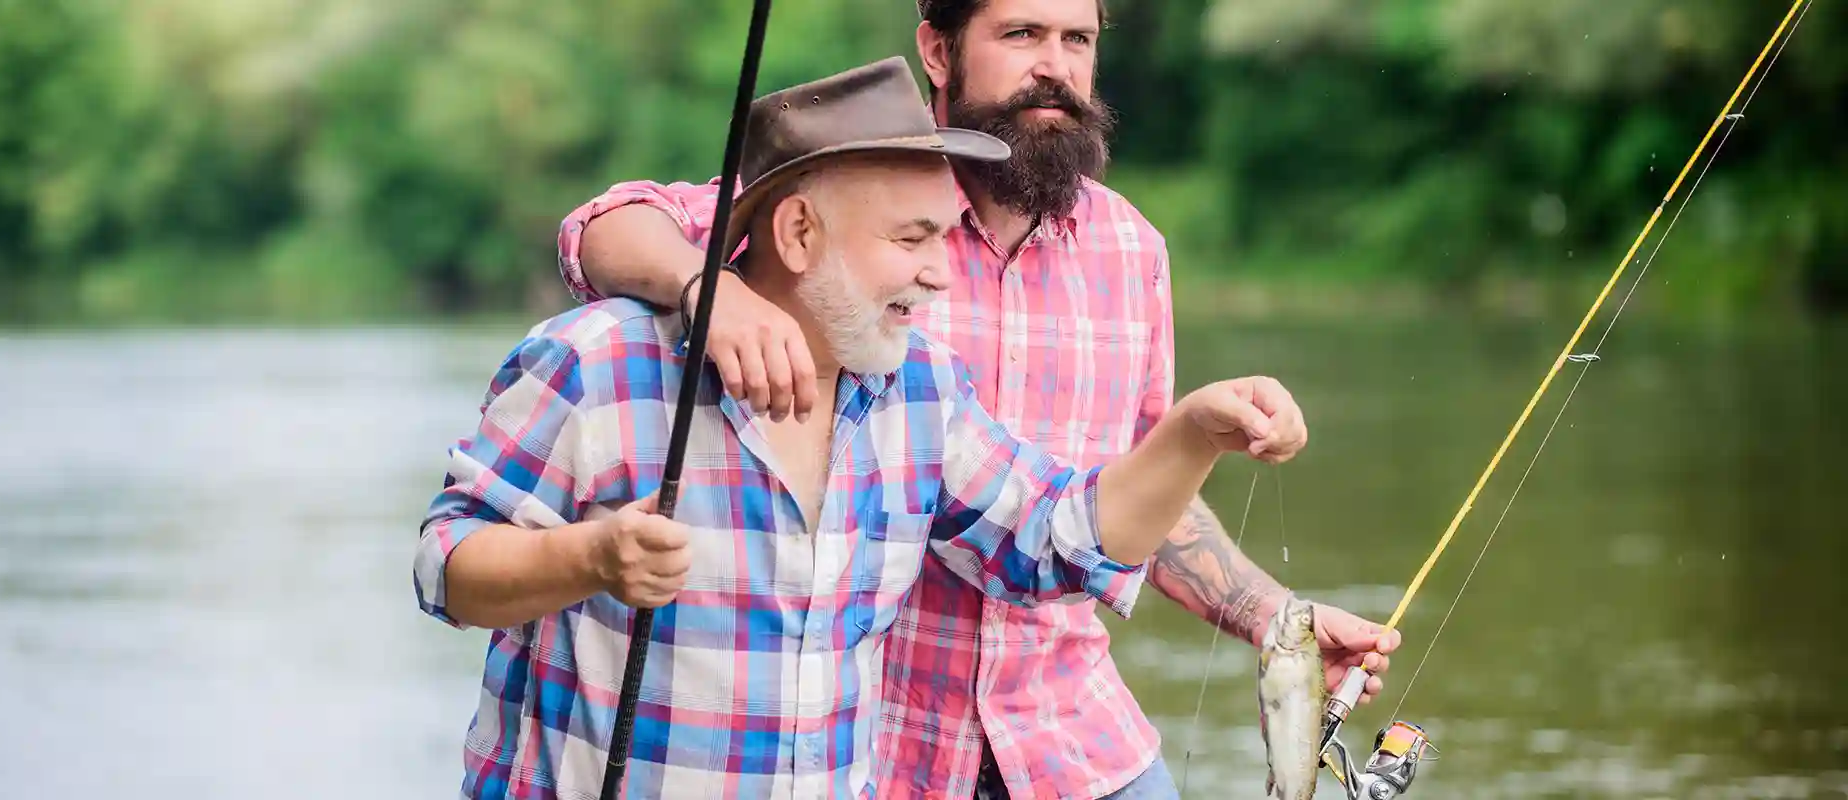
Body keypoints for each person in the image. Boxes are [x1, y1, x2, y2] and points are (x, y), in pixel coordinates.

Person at [555, 3, 1402, 798]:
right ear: (938, 49)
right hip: (876, 754)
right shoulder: (846, 211)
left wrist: (1275, 623)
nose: (1055, 69)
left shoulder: (1132, 249)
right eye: (1023, 34)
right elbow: (602, 224)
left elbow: (1140, 499)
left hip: (1073, 738)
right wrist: (708, 286)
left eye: (1078, 40)